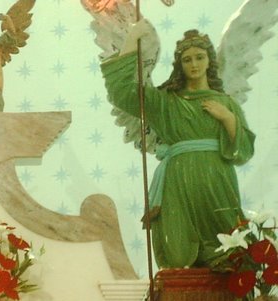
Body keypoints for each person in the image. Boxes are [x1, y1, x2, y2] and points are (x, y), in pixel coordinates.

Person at [101, 21, 255, 269]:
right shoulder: (166, 102)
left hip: (217, 181)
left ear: (209, 61)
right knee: (177, 254)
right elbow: (124, 94)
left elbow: (243, 151)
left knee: (228, 251)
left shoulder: (225, 102)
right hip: (178, 182)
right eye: (187, 59)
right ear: (179, 65)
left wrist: (227, 118)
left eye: (199, 57)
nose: (194, 64)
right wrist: (132, 40)